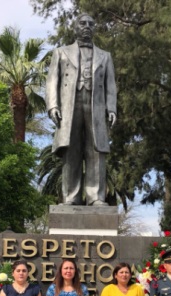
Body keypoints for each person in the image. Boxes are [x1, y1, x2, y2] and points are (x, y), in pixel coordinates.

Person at [45, 13, 117, 206]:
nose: (87, 26)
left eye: (91, 24)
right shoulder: (61, 52)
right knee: (71, 150)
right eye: (83, 23)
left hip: (95, 106)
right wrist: (53, 105)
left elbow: (111, 86)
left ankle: (96, 197)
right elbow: (52, 80)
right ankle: (71, 196)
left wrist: (111, 108)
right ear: (75, 27)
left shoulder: (105, 56)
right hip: (70, 106)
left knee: (96, 150)